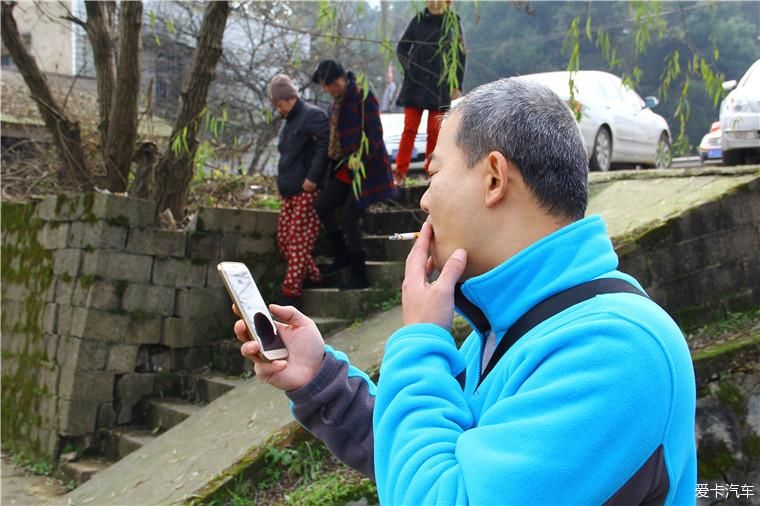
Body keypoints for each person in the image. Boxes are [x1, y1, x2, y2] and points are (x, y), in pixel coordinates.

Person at [234, 78, 697, 504]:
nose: (424, 199)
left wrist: (418, 341)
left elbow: (442, 495)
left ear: (494, 178)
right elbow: (423, 461)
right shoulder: (502, 329)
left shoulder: (617, 348)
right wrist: (321, 380)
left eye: (434, 173)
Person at [310, 59, 397, 290]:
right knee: (323, 205)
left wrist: (361, 159)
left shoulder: (362, 95)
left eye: (327, 84)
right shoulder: (335, 103)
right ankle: (341, 257)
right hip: (343, 168)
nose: (325, 90)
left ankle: (360, 275)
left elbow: (374, 134)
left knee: (349, 217)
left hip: (366, 170)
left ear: (338, 80)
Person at [267, 74, 328, 307]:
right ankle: (313, 275)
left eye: (279, 104)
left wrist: (312, 178)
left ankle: (290, 293)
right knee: (284, 240)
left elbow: (323, 148)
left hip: (306, 190)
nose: (278, 109)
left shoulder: (312, 116)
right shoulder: (290, 121)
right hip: (289, 190)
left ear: (290, 99)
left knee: (297, 239)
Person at [393, 0, 466, 186]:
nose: (434, 3)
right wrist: (410, 69)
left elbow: (460, 54)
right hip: (416, 83)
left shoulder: (453, 21)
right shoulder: (418, 20)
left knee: (435, 131)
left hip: (439, 84)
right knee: (409, 129)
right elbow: (402, 47)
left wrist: (456, 83)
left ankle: (430, 172)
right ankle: (400, 173)